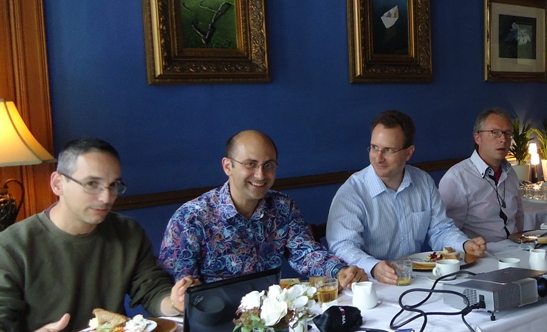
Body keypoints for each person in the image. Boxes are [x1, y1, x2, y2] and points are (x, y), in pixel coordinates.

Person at [0, 138, 192, 332]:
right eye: (92, 184)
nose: (106, 197)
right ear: (58, 183)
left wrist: (174, 301)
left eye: (114, 185)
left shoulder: (128, 231)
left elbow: (152, 292)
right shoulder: (12, 245)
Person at [158, 130, 366, 288]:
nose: (260, 175)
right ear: (227, 166)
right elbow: (176, 288)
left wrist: (339, 271)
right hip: (215, 319)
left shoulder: (283, 206)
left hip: (271, 315)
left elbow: (305, 252)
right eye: (250, 164)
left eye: (268, 165)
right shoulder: (191, 218)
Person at [327, 111, 486, 285]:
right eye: (374, 147)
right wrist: (373, 267)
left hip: (414, 278)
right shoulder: (352, 192)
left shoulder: (423, 182)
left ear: (408, 153)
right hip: (370, 284)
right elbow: (343, 246)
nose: (378, 158)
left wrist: (464, 244)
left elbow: (441, 229)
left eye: (389, 150)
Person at [439, 107, 524, 242]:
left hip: (515, 247)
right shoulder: (457, 179)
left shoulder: (510, 172)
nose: (503, 139)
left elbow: (518, 217)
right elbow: (445, 233)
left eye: (507, 133)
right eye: (495, 133)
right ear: (478, 138)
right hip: (482, 251)